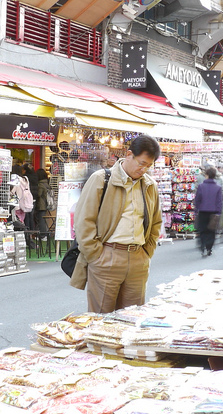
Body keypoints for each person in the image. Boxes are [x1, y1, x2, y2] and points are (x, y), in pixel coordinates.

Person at [70, 134, 162, 313]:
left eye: (149, 166)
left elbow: (156, 222)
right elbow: (83, 220)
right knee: (101, 321)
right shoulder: (101, 179)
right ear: (129, 154)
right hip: (107, 255)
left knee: (132, 320)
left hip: (138, 258)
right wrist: (96, 255)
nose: (143, 169)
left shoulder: (150, 185)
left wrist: (147, 252)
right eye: (141, 163)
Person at [194, 166, 223, 257]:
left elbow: (197, 199)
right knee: (211, 231)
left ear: (206, 175)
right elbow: (219, 201)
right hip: (213, 212)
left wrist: (196, 210)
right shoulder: (218, 188)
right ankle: (209, 248)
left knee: (202, 230)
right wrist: (219, 212)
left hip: (202, 211)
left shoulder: (201, 186)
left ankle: (202, 246)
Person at [34, 168, 51, 236]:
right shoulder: (46, 183)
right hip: (46, 204)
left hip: (41, 205)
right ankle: (44, 234)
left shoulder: (40, 184)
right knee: (43, 220)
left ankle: (43, 235)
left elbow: (38, 194)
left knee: (41, 220)